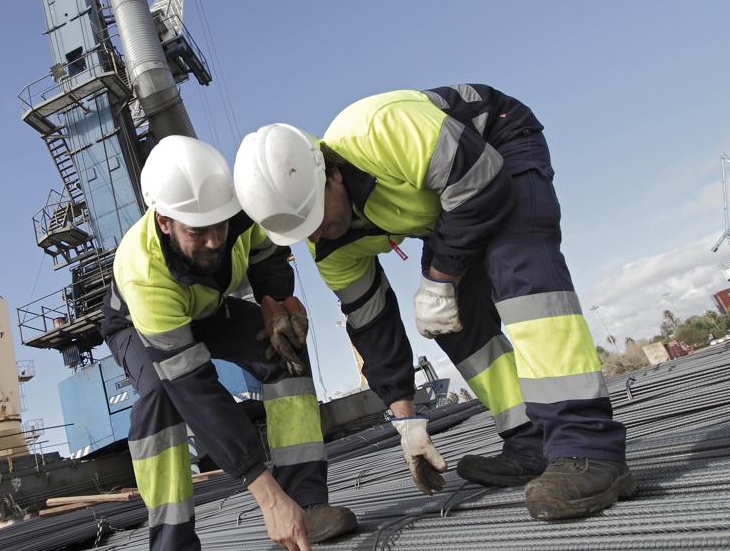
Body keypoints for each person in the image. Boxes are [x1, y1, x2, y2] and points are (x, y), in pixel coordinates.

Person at [232, 85, 633, 521]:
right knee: (453, 321)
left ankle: (588, 448)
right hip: (451, 205)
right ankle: (530, 439)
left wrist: (439, 276)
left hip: (496, 148)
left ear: (333, 174)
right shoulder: (327, 244)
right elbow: (371, 322)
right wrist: (406, 420)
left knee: (521, 274)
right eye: (302, 230)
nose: (315, 233)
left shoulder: (379, 130)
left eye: (315, 217)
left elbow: (482, 179)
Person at [100, 136, 357, 550]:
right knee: (161, 396)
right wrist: (267, 498)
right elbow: (196, 391)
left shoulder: (238, 211)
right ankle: (172, 541)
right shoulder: (143, 272)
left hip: (206, 308)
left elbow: (266, 254)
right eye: (197, 232)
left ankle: (306, 505)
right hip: (136, 324)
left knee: (283, 349)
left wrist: (275, 303)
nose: (215, 241)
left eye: (220, 226)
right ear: (164, 222)